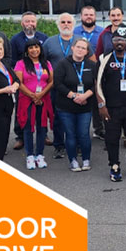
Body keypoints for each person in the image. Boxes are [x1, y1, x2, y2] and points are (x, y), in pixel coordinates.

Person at [96, 26, 126, 182]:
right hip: (111, 107)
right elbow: (97, 83)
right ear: (112, 42)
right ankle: (114, 165)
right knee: (112, 138)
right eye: (116, 40)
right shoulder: (104, 58)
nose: (119, 43)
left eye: (122, 40)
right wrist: (101, 105)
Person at [53, 37, 96, 172]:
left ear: (87, 51)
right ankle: (73, 160)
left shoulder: (91, 65)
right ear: (72, 48)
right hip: (66, 106)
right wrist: (74, 96)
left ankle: (86, 159)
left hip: (85, 105)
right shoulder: (62, 64)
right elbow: (58, 84)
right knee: (70, 134)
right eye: (78, 47)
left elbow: (97, 84)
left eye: (83, 48)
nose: (80, 50)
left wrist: (85, 95)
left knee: (83, 134)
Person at [8, 11, 48, 152]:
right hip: (23, 83)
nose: (30, 24)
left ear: (36, 23)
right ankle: (20, 137)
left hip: (41, 83)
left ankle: (44, 135)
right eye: (27, 21)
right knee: (22, 110)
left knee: (42, 111)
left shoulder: (43, 38)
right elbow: (12, 61)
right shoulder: (15, 39)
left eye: (32, 21)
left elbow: (45, 58)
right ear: (22, 23)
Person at [14, 40, 54, 171]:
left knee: (42, 127)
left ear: (40, 49)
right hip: (26, 100)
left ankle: (40, 155)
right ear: (27, 50)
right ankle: (30, 155)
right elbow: (18, 83)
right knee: (28, 127)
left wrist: (41, 94)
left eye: (36, 47)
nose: (34, 50)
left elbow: (51, 81)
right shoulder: (20, 64)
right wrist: (33, 96)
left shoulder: (46, 63)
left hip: (43, 98)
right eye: (31, 48)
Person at [44, 12, 79, 159]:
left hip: (77, 85)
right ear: (58, 25)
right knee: (58, 117)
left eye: (69, 22)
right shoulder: (49, 42)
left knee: (77, 116)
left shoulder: (80, 41)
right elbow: (42, 63)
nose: (66, 25)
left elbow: (90, 60)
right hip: (56, 87)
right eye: (63, 22)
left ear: (73, 25)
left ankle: (76, 145)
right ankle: (59, 146)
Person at [75, 5, 104, 140]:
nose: (88, 17)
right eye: (86, 14)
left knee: (97, 99)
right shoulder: (75, 32)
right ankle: (81, 132)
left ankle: (99, 129)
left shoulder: (102, 33)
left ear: (95, 17)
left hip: (97, 70)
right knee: (81, 99)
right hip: (77, 72)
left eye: (91, 15)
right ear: (81, 17)